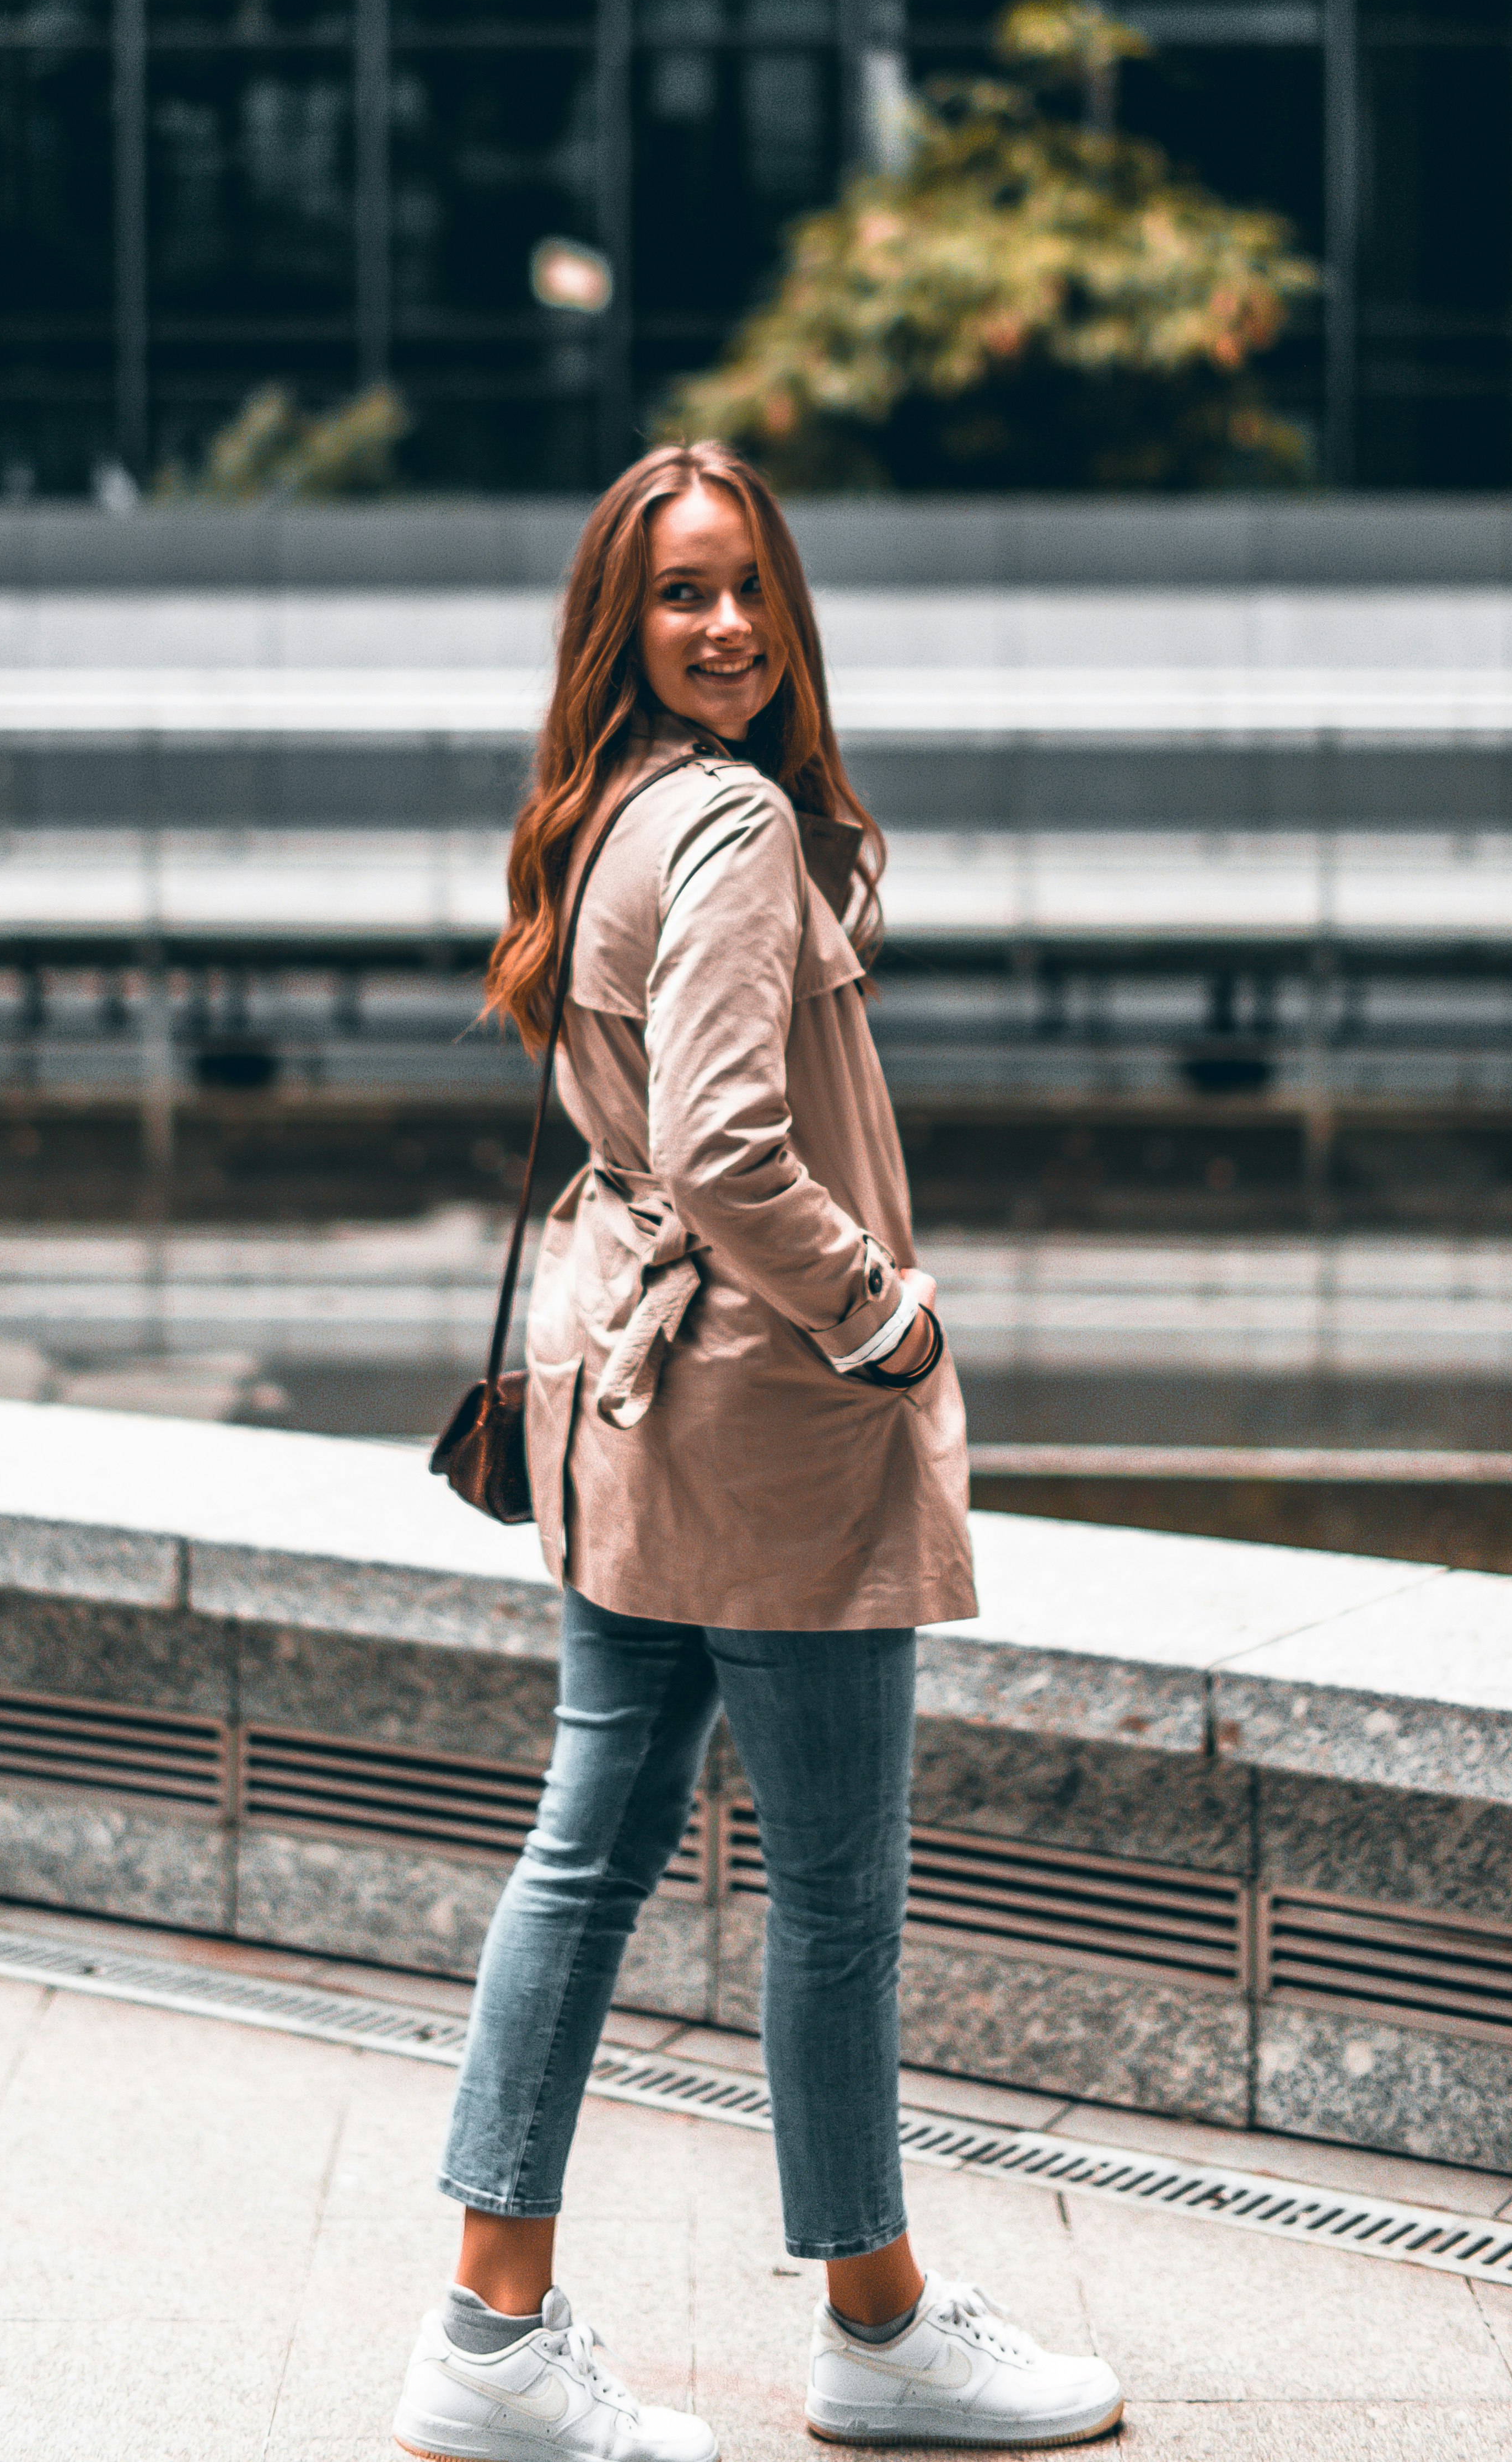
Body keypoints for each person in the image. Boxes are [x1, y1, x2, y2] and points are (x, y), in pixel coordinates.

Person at [392, 443, 1122, 2462]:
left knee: (587, 1854)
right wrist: (879, 1311)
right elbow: (726, 1144)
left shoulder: (606, 807)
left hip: (623, 1391)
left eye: (745, 587)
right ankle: (878, 2325)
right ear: (621, 623)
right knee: (831, 1889)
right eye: (679, 593)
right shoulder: (723, 823)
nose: (721, 624)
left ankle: (490, 2325)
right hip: (762, 1411)